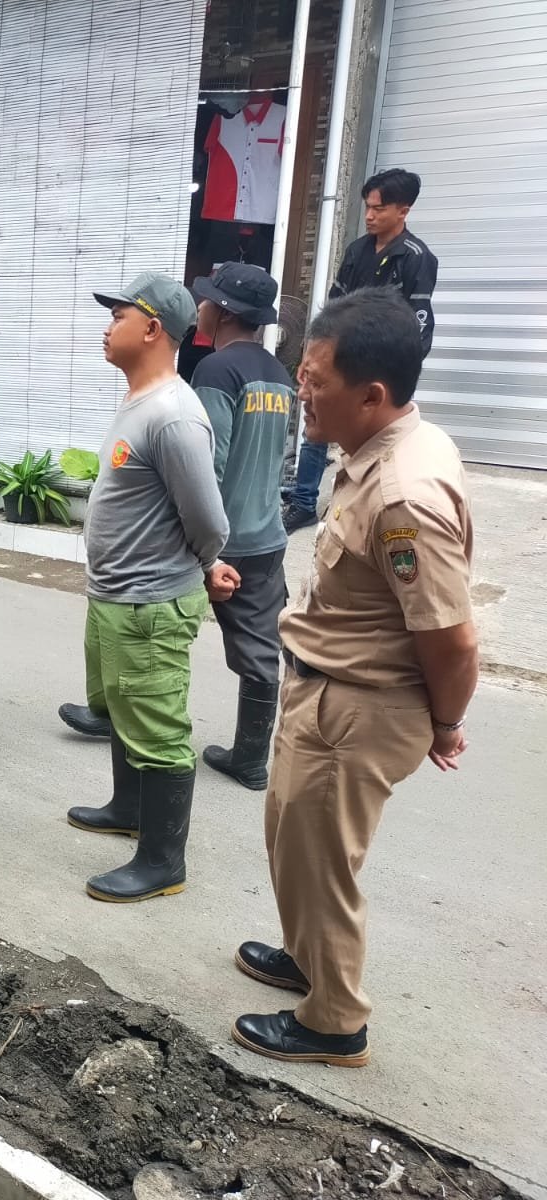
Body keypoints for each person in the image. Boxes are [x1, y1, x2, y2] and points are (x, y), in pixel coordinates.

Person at [233, 288, 476, 1067]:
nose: (301, 392)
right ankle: (307, 958)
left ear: (371, 395)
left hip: (358, 708)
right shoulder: (380, 449)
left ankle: (335, 1021)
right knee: (291, 838)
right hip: (327, 689)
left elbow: (451, 639)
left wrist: (446, 723)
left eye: (315, 381)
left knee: (322, 862)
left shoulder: (404, 495)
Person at [61, 273, 236, 903]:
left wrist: (206, 562)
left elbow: (208, 521)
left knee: (156, 725)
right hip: (117, 594)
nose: (108, 326)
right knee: (122, 705)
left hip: (149, 602)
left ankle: (163, 862)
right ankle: (127, 809)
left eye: (119, 315)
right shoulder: (141, 400)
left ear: (153, 328)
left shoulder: (174, 416)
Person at [285, 168, 437, 534]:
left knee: (375, 437)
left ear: (403, 210)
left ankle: (367, 502)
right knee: (316, 419)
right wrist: (312, 355)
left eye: (378, 208)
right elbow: (333, 308)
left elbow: (419, 323)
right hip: (342, 360)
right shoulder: (357, 251)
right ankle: (303, 502)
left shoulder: (417, 258)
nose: (369, 216)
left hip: (382, 368)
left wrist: (398, 374)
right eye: (367, 207)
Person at [189, 263, 294, 791]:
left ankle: (117, 718)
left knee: (152, 628)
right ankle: (251, 757)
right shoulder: (279, 374)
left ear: (224, 312)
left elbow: (205, 463)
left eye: (207, 299)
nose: (200, 306)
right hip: (267, 536)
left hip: (221, 537)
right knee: (260, 651)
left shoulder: (216, 371)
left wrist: (199, 543)